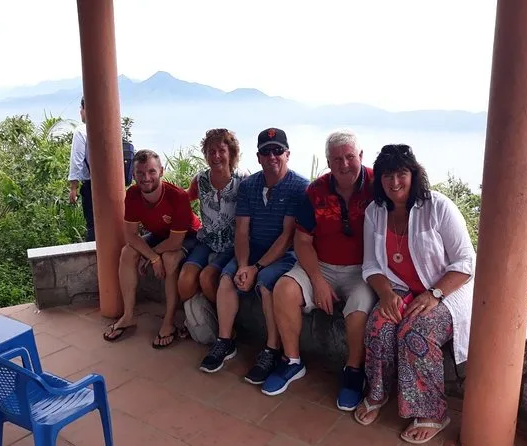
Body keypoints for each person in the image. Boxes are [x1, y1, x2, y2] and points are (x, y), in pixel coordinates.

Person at [355, 144, 475, 444]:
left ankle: (433, 412)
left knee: (415, 332)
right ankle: (378, 393)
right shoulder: (375, 212)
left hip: (446, 290)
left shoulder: (438, 207)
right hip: (399, 288)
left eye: (401, 174)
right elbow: (371, 265)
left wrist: (434, 294)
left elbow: (465, 262)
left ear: (413, 174)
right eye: (387, 175)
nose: (394, 182)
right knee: (379, 326)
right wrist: (385, 294)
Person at [263, 130, 376, 411]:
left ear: (361, 156)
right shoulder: (315, 191)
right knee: (284, 289)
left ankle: (353, 371)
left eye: (350, 157)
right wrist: (317, 280)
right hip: (320, 264)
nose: (344, 164)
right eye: (336, 159)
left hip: (362, 269)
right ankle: (292, 361)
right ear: (328, 162)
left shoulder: (377, 185)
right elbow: (302, 241)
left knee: (359, 308)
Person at [199, 128, 310, 385]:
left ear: (287, 154)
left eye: (277, 151)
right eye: (266, 152)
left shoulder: (299, 186)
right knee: (226, 280)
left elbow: (287, 237)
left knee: (266, 284)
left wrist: (256, 268)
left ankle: (272, 349)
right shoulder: (250, 186)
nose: (272, 157)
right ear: (258, 157)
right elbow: (242, 230)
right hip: (253, 250)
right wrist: (243, 265)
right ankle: (225, 340)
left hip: (286, 254)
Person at [103, 149, 202, 348]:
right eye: (140, 173)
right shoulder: (133, 194)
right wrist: (153, 257)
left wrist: (152, 255)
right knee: (127, 252)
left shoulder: (177, 197)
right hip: (159, 235)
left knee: (170, 259)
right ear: (133, 174)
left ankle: (169, 321)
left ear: (161, 172)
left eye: (151, 171)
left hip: (188, 237)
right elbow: (130, 235)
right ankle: (128, 316)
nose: (146, 178)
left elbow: (175, 242)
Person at [177, 129, 245, 304]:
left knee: (207, 278)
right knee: (185, 280)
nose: (216, 156)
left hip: (233, 245)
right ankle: (197, 317)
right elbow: (182, 201)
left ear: (231, 153)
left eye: (222, 150)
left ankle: (222, 319)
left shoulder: (243, 180)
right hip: (207, 241)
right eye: (211, 151)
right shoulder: (200, 180)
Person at [67, 97, 95, 242]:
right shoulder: (109, 126)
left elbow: (76, 160)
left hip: (92, 186)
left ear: (85, 109)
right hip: (113, 184)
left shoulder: (81, 131)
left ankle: (95, 253)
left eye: (81, 108)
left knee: (93, 225)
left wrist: (73, 188)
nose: (80, 112)